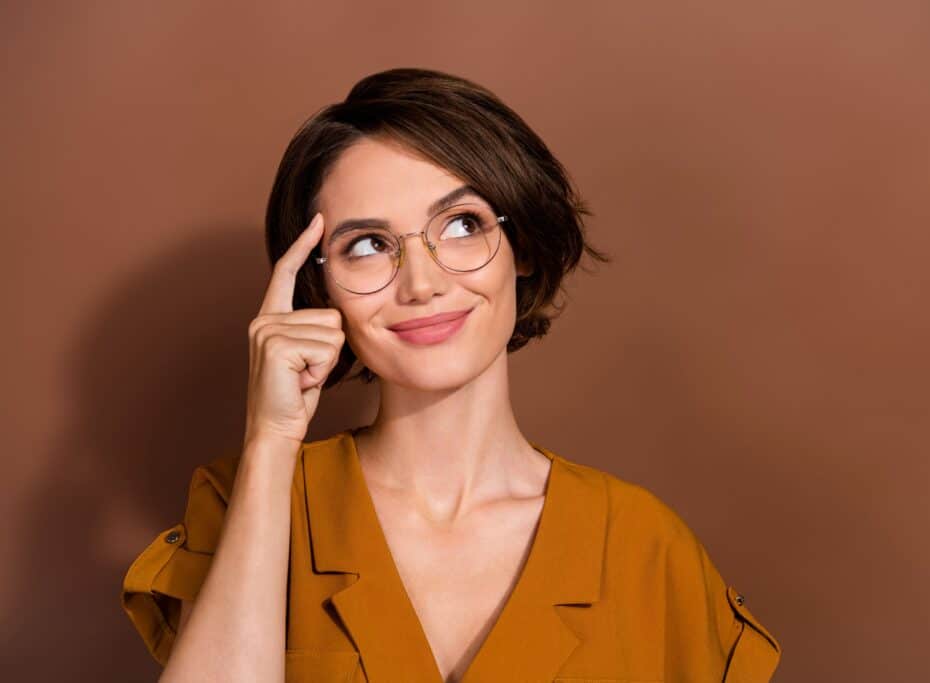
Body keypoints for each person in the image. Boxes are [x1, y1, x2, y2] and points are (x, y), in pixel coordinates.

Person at [120, 67, 781, 683]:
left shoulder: (644, 544)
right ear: (318, 285)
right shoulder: (241, 502)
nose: (423, 283)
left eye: (462, 225)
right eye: (369, 245)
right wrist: (270, 438)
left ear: (519, 248)